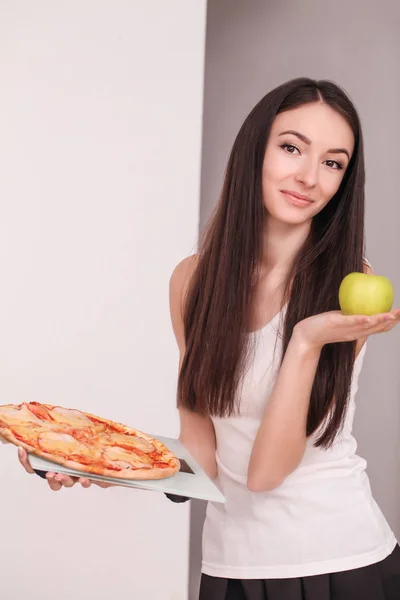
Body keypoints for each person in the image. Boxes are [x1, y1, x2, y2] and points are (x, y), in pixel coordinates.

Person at [18, 77, 400, 599]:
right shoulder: (192, 281)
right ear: (254, 150)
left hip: (338, 561)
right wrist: (99, 461)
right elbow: (202, 449)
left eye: (333, 162)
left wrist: (307, 340)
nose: (309, 177)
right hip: (230, 566)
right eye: (291, 148)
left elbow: (265, 473)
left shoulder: (348, 287)